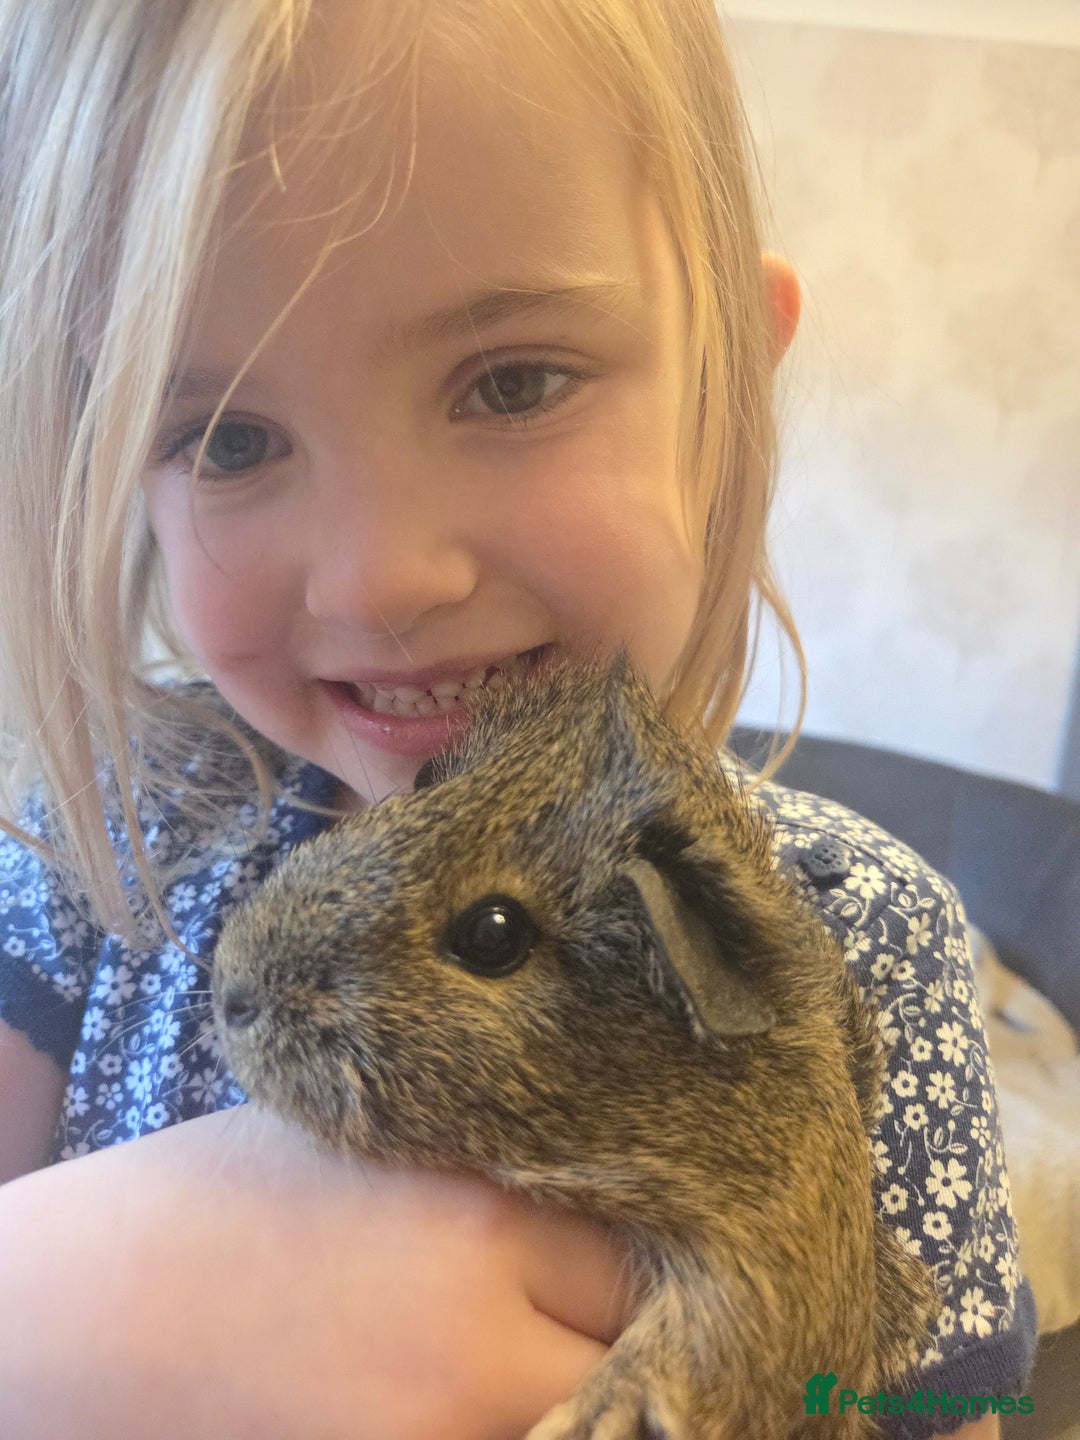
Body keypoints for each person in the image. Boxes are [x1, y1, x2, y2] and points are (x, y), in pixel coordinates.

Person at [0, 1, 1034, 1436]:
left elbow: (911, 1419)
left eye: (513, 382)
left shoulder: (869, 940)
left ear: (730, 372)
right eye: (227, 435)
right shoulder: (91, 850)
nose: (378, 579)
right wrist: (43, 1319)